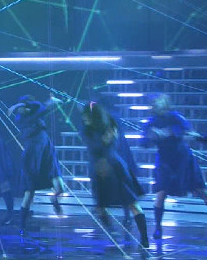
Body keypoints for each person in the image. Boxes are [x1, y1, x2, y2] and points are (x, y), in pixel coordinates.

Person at [79, 102, 149, 248]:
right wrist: (104, 141)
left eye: (87, 116)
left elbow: (111, 144)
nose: (84, 119)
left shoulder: (109, 123)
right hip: (99, 169)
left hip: (114, 167)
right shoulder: (86, 130)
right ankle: (112, 232)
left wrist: (107, 141)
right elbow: (93, 147)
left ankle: (144, 238)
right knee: (100, 206)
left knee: (132, 203)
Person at [142, 94, 207, 239]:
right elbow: (144, 142)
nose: (156, 104)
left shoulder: (176, 117)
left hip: (182, 159)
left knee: (200, 189)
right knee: (161, 192)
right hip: (165, 161)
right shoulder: (151, 122)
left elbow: (187, 130)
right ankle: (158, 227)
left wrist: (170, 132)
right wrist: (151, 137)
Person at [8, 95, 65, 235]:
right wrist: (19, 106)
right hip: (31, 155)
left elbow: (40, 108)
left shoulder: (36, 111)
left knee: (60, 188)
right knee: (29, 193)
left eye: (22, 107)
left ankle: (54, 199)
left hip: (46, 152)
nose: (19, 110)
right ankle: (22, 226)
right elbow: (39, 112)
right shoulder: (20, 119)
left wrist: (23, 105)